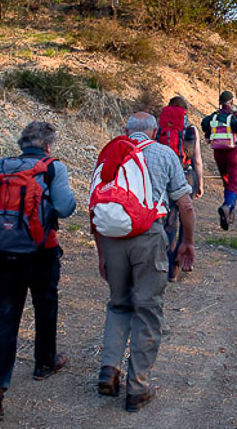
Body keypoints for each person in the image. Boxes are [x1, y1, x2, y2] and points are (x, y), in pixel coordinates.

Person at [94, 112, 195, 413]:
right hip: (149, 237)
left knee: (118, 304)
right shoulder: (164, 153)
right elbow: (185, 204)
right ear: (154, 131)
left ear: (125, 130)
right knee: (148, 309)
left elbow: (96, 203)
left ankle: (109, 371)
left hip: (112, 238)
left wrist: (101, 252)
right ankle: (138, 387)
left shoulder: (110, 153)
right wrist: (187, 242)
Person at [0, 121, 77, 422]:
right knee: (45, 304)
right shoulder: (51, 167)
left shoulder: (2, 167)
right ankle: (44, 362)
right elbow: (65, 207)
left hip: (1, 251)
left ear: (22, 144)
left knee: (4, 317)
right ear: (48, 145)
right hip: (40, 250)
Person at [157, 97, 203, 281]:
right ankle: (181, 261)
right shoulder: (191, 130)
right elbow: (197, 159)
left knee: (169, 220)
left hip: (164, 176)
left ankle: (169, 268)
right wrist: (200, 183)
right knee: (186, 216)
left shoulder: (159, 127)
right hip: (186, 175)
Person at [202, 90, 237, 231]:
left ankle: (229, 212)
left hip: (217, 153)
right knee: (235, 183)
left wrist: (208, 134)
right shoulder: (234, 116)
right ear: (232, 102)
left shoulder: (213, 117)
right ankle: (227, 206)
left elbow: (204, 123)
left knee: (227, 181)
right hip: (233, 152)